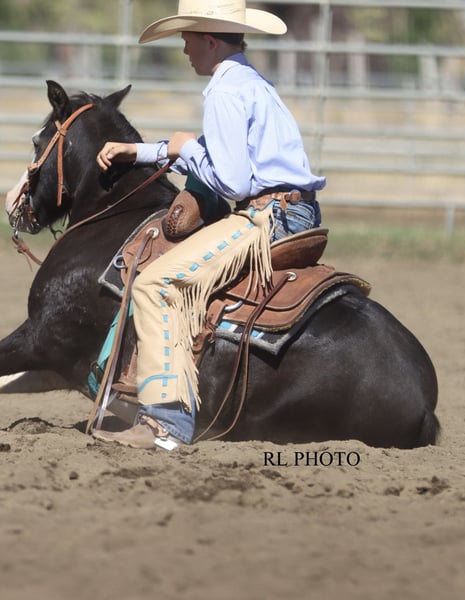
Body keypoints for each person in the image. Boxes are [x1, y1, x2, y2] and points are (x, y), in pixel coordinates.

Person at [93, 0, 326, 450]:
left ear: (210, 41)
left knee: (155, 284)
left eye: (187, 39)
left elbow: (233, 182)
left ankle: (166, 423)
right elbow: (219, 152)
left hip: (267, 216)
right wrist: (141, 151)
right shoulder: (251, 81)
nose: (184, 49)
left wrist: (184, 147)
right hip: (295, 209)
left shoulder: (224, 91)